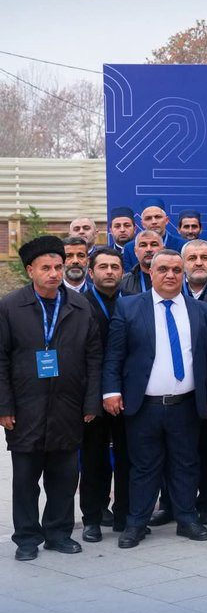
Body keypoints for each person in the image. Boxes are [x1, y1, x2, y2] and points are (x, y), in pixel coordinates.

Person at [102, 249, 207, 548]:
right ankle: (136, 523)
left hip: (186, 405)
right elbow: (114, 354)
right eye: (163, 270)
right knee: (143, 467)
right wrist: (111, 391)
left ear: (184, 274)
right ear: (151, 273)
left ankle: (186, 518)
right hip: (143, 406)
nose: (170, 275)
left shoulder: (201, 310)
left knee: (186, 464)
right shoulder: (129, 307)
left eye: (176, 270)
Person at [1, 236, 102, 561]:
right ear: (30, 270)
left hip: (68, 407)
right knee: (25, 480)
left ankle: (58, 533)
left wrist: (91, 402)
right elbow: (1, 359)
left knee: (65, 477)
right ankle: (27, 538)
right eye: (46, 268)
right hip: (25, 407)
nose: (54, 273)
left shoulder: (80, 305)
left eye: (58, 267)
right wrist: (4, 405)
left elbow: (94, 357)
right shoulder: (10, 306)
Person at [79, 247, 128, 542]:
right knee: (93, 460)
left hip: (128, 395)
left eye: (115, 267)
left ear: (122, 271)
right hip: (92, 396)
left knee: (127, 458)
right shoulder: (78, 305)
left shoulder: (133, 302)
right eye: (103, 267)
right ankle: (92, 519)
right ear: (91, 272)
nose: (109, 271)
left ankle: (124, 515)